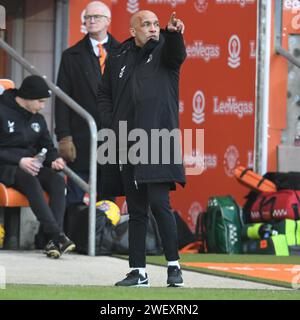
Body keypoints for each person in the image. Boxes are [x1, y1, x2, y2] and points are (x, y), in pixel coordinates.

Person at [97, 10, 186, 287]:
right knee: (135, 210)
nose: (152, 28)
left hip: (158, 140)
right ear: (133, 29)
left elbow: (177, 54)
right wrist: (111, 124)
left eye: (156, 24)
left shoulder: (164, 50)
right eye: (146, 24)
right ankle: (138, 272)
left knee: (160, 205)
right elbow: (104, 94)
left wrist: (174, 34)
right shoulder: (119, 55)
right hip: (125, 141)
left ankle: (174, 266)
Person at [0, 75, 75, 259]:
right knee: (30, 181)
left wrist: (54, 159)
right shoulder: (2, 111)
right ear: (26, 97)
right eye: (40, 101)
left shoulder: (38, 119)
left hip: (32, 164)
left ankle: (48, 240)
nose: (42, 106)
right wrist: (19, 160)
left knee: (58, 181)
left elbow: (48, 147)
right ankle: (57, 236)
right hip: (6, 166)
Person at [55, 1, 119, 204]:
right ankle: (72, 236)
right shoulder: (71, 56)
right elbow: (62, 99)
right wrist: (64, 137)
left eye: (96, 17)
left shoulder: (124, 53)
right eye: (87, 17)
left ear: (108, 21)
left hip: (113, 139)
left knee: (108, 201)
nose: (90, 21)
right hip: (81, 139)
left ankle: (106, 237)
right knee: (74, 197)